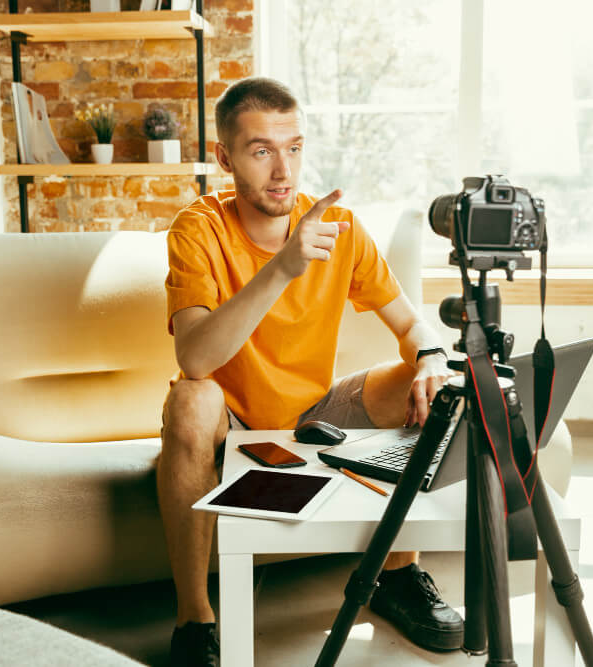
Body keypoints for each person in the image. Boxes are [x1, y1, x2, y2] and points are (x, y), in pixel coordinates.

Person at [159, 77, 461, 667]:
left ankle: (397, 577)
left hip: (316, 411)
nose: (283, 171)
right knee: (189, 399)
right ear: (225, 158)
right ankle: (194, 619)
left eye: (293, 147)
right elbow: (194, 358)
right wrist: (282, 268)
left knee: (433, 385)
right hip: (232, 418)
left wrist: (430, 355)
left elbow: (411, 326)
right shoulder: (197, 229)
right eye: (261, 150)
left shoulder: (339, 228)